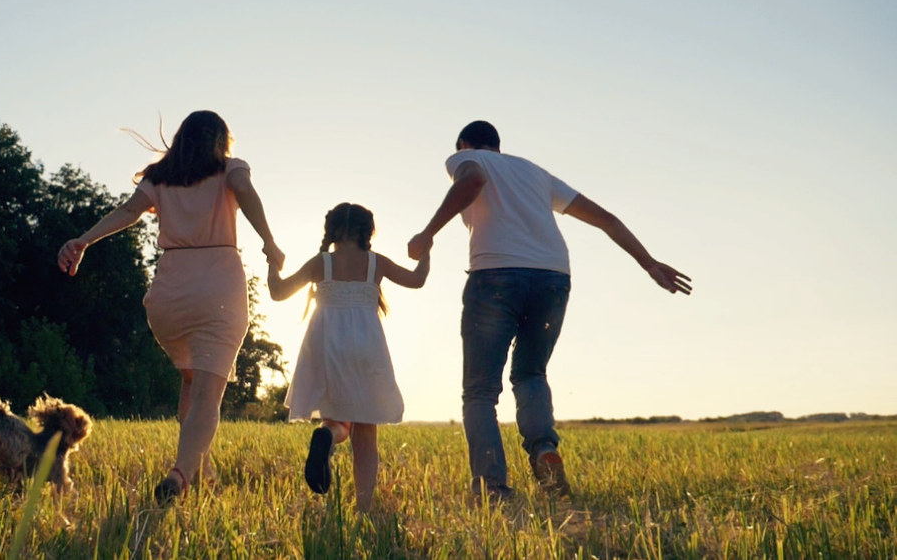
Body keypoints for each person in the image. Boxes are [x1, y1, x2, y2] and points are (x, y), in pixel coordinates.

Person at [407, 120, 691, 501]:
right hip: (553, 278)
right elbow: (605, 218)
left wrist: (428, 232)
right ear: (500, 145)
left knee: (479, 390)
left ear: (464, 144)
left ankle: (492, 487)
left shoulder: (466, 158)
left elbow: (472, 180)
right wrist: (649, 263)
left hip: (495, 276)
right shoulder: (535, 173)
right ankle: (544, 451)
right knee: (530, 373)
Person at [57, 110, 284, 504]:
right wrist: (269, 241)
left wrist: (83, 240)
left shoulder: (159, 178)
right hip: (217, 289)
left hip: (170, 295)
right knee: (208, 394)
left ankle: (201, 470)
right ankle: (180, 474)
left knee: (193, 383)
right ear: (220, 141)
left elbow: (128, 212)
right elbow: (243, 189)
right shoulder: (230, 168)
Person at [268, 203, 429, 512]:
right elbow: (416, 280)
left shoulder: (322, 263)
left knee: (336, 418)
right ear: (367, 232)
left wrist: (272, 264)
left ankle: (327, 435)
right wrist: (427, 254)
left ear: (331, 231)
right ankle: (364, 507)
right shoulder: (375, 263)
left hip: (326, 345)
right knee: (366, 430)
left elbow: (278, 292)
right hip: (367, 346)